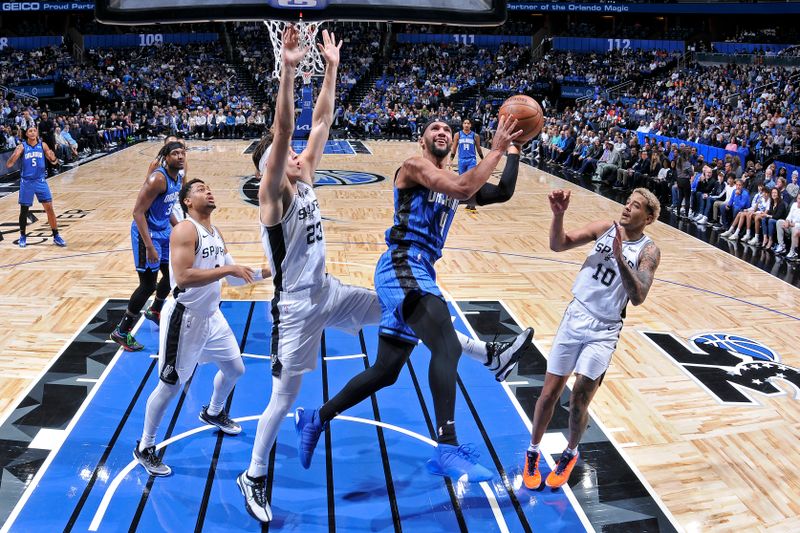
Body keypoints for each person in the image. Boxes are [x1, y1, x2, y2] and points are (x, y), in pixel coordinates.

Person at [236, 29, 532, 524]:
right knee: (281, 399)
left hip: (330, 291)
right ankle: (256, 474)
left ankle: (489, 357)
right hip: (294, 309)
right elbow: (286, 128)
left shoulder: (303, 173)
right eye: (282, 153)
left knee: (407, 348)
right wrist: (288, 69)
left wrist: (331, 68)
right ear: (268, 164)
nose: (293, 153)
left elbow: (322, 119)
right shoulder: (274, 193)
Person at [294, 113, 527, 487]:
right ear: (422, 140)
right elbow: (465, 188)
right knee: (447, 347)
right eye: (434, 128)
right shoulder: (415, 166)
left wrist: (514, 148)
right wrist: (496, 149)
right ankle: (447, 446)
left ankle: (316, 418)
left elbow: (502, 192)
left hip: (419, 270)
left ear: (453, 142)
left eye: (447, 130)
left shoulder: (453, 179)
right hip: (402, 263)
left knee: (385, 372)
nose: (442, 133)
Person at [522, 187, 661, 490]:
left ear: (648, 217)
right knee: (548, 394)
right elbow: (558, 244)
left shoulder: (648, 250)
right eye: (627, 202)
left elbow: (638, 296)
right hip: (576, 316)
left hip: (605, 329)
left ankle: (570, 453)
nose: (626, 208)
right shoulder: (605, 228)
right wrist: (558, 216)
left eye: (635, 206)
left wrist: (620, 258)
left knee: (578, 400)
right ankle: (532, 452)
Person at [133, 178, 269, 476]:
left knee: (235, 369)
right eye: (199, 189)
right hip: (185, 317)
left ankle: (214, 411)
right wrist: (228, 269)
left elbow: (234, 277)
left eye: (209, 187)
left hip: (211, 317)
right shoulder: (184, 230)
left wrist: (274, 270)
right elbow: (182, 278)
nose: (208, 190)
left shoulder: (215, 232)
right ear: (187, 202)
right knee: (170, 387)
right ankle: (145, 446)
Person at [109, 141, 185, 351]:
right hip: (147, 233)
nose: (180, 156)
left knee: (172, 274)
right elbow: (138, 212)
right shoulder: (157, 179)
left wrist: (179, 228)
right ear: (166, 157)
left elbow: (166, 208)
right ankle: (122, 331)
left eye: (182, 153)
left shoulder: (177, 178)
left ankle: (156, 310)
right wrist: (149, 246)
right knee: (148, 285)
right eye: (175, 153)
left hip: (163, 232)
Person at [5, 125, 65, 248]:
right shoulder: (22, 147)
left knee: (49, 208)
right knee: (24, 210)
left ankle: (56, 235)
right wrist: (14, 156)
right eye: (30, 131)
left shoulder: (43, 145)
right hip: (27, 182)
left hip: (40, 180)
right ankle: (22, 235)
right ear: (26, 134)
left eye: (34, 131)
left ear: (37, 132)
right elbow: (9, 165)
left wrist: (54, 158)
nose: (32, 133)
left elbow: (54, 162)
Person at [451, 118, 484, 212]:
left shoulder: (475, 135)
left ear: (471, 125)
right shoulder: (457, 135)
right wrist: (451, 159)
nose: (466, 125)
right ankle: (466, 201)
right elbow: (454, 148)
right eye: (464, 123)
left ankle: (472, 204)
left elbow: (478, 148)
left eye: (468, 123)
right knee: (462, 182)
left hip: (471, 160)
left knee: (471, 182)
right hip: (461, 160)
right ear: (462, 124)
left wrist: (483, 159)